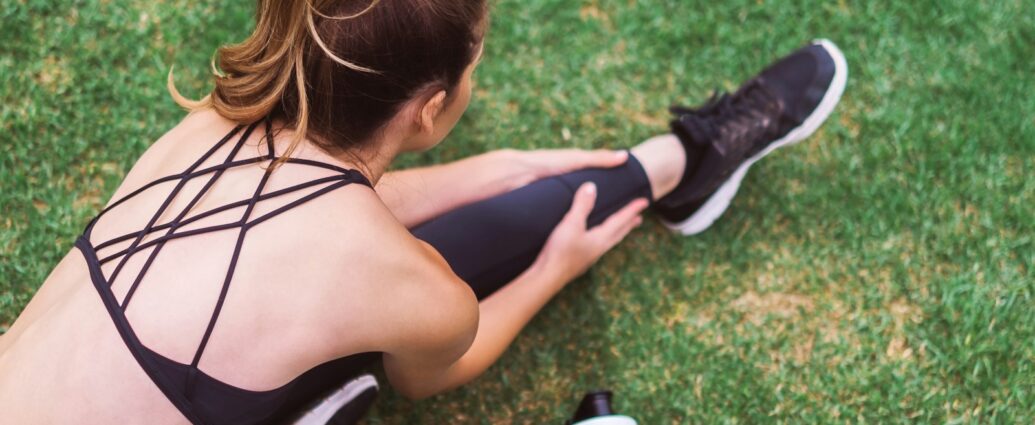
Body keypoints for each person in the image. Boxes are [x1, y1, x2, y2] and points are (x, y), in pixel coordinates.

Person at [0, 0, 847, 423]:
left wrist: (503, 167)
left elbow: (317, 215)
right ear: (430, 107)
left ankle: (678, 166)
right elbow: (436, 362)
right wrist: (556, 266)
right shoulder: (398, 281)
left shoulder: (206, 127)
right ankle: (677, 168)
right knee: (361, 358)